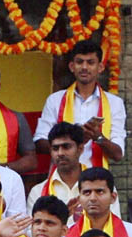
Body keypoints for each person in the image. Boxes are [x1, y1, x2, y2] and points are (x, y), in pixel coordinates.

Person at [35, 38, 126, 168]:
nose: (84, 67)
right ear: (72, 67)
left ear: (100, 67)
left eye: (90, 62)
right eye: (79, 62)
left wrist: (98, 137)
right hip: (61, 180)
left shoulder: (114, 103)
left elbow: (118, 154)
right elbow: (39, 143)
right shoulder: (55, 100)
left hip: (97, 181)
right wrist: (71, 141)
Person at [28, 122, 122, 216]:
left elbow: (113, 226)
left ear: (80, 149)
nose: (60, 153)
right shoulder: (38, 192)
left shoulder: (103, 188)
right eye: (55, 148)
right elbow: (33, 230)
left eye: (66, 147)